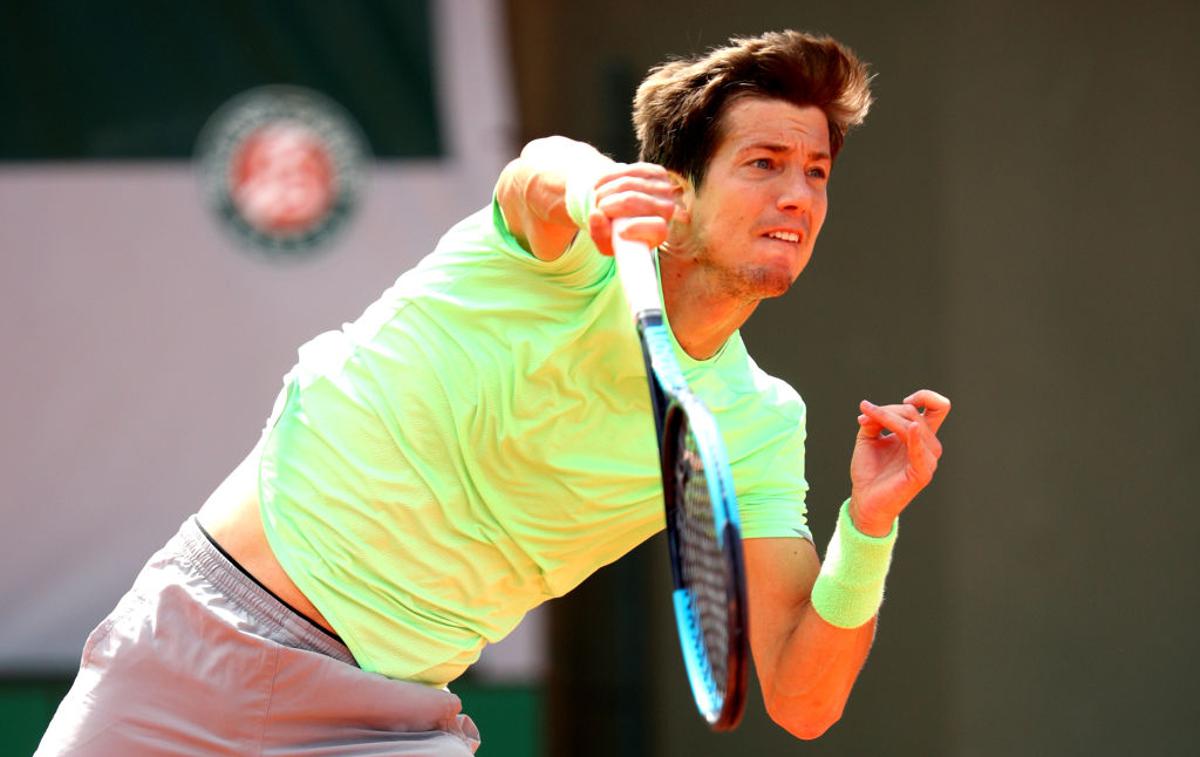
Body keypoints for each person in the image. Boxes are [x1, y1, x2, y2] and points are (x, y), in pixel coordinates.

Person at [38, 29, 950, 755]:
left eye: (817, 171)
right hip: (194, 640)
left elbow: (801, 699)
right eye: (764, 163)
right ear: (675, 189)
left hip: (379, 722)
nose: (798, 194)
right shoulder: (551, 249)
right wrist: (599, 194)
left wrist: (870, 526)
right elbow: (541, 173)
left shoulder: (756, 420)